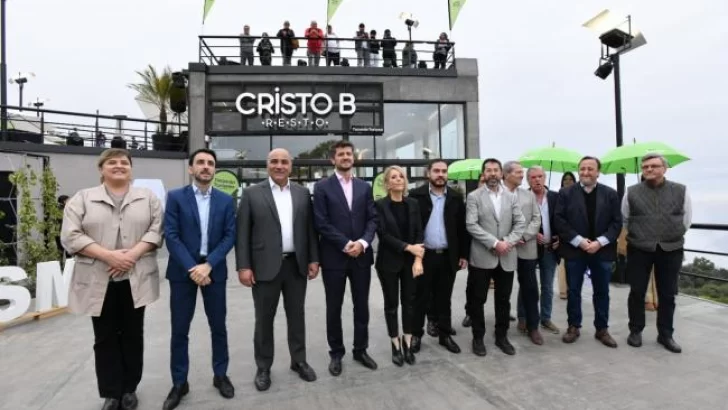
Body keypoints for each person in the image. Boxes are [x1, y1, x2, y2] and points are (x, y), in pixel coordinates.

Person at [61, 148, 163, 410]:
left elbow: (157, 230)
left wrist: (131, 256)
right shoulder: (83, 199)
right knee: (104, 338)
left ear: (130, 168)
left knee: (133, 335)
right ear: (101, 169)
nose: (119, 166)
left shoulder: (147, 197)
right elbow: (71, 236)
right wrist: (109, 256)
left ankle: (129, 389)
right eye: (112, 162)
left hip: (135, 279)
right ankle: (111, 392)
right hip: (99, 279)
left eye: (124, 162)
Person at [237, 148, 320, 390]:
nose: (279, 165)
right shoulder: (251, 193)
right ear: (267, 165)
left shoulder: (302, 193)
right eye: (274, 161)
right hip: (264, 267)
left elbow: (310, 230)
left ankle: (299, 360)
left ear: (291, 166)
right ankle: (263, 367)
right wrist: (244, 266)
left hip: (296, 265)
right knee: (264, 319)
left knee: (297, 316)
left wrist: (314, 259)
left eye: (284, 162)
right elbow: (242, 234)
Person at [162, 149, 237, 410]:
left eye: (210, 163)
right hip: (183, 272)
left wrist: (208, 265)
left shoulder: (225, 200)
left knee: (218, 327)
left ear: (214, 169)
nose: (206, 167)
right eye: (201, 162)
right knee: (179, 330)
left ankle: (220, 375)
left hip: (214, 270)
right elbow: (171, 236)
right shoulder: (175, 197)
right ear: (191, 168)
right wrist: (193, 268)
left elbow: (230, 236)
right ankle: (179, 382)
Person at [313, 140, 379, 376]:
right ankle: (336, 353)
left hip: (361, 257)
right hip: (334, 258)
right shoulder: (322, 187)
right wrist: (344, 243)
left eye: (349, 154)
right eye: (341, 154)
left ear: (353, 158)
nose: (345, 157)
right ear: (333, 159)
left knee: (361, 306)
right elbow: (321, 222)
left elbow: (372, 219)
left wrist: (362, 243)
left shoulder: (364, 187)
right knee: (334, 308)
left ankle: (360, 350)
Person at [623, 153, 692, 353]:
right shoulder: (631, 192)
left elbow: (686, 220)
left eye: (654, 166)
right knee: (637, 292)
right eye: (645, 167)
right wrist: (641, 235)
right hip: (639, 248)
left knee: (668, 294)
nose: (649, 169)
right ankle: (635, 330)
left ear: (664, 168)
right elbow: (626, 219)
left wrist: (670, 234)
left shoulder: (681, 190)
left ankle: (666, 334)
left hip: (671, 248)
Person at [554, 156, 621, 348]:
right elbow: (559, 220)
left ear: (598, 172)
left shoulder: (610, 194)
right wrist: (580, 241)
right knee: (573, 291)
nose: (585, 172)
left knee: (602, 291)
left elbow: (617, 223)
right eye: (582, 168)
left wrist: (599, 242)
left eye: (590, 169)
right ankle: (573, 326)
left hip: (602, 250)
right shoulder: (565, 193)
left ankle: (602, 329)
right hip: (575, 250)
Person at [465, 158, 526, 356]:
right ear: (484, 174)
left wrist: (506, 242)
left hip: (506, 256)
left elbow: (520, 223)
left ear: (501, 173)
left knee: (503, 300)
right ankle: (478, 337)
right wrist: (494, 243)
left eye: (495, 170)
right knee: (477, 299)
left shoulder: (511, 197)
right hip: (482, 256)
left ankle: (502, 337)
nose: (492, 173)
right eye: (488, 170)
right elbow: (471, 224)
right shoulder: (474, 196)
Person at [409, 159, 469, 354]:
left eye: (444, 171)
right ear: (428, 173)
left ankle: (444, 335)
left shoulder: (455, 198)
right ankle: (416, 335)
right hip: (423, 256)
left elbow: (462, 229)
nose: (441, 174)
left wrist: (463, 254)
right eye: (436, 171)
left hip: (447, 256)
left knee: (444, 298)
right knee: (420, 297)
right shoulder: (416, 196)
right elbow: (410, 227)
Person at [374, 165, 424, 366]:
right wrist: (408, 248)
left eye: (401, 176)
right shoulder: (380, 205)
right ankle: (395, 343)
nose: (398, 179)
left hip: (411, 262)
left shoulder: (413, 204)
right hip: (388, 262)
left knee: (409, 303)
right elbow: (383, 235)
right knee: (392, 304)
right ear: (387, 183)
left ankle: (407, 341)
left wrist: (418, 259)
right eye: (393, 177)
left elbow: (419, 232)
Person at [503, 162, 543, 346]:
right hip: (504, 249)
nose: (522, 175)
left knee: (531, 289)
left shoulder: (528, 195)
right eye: (518, 172)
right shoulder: (496, 194)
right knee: (503, 290)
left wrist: (524, 236)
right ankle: (502, 328)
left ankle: (533, 327)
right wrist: (510, 239)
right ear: (506, 175)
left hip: (526, 248)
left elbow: (536, 219)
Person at [526, 166, 561, 334]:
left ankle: (545, 318)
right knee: (528, 285)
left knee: (547, 286)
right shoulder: (522, 197)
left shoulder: (555, 197)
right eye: (533, 177)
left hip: (549, 249)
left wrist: (560, 237)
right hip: (529, 248)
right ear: (528, 180)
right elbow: (516, 221)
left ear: (545, 178)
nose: (537, 180)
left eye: (540, 176)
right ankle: (523, 318)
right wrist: (532, 234)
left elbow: (562, 219)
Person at [557, 171, 576, 299]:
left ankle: (573, 289)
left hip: (576, 236)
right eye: (565, 179)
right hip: (562, 235)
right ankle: (563, 290)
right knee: (563, 264)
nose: (568, 181)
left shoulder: (578, 195)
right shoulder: (559, 195)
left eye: (570, 179)